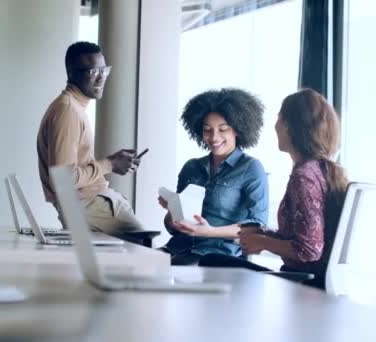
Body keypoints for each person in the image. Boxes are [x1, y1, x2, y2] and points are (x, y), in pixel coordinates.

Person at [199, 89, 348, 290]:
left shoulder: (304, 177)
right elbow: (306, 237)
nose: (275, 125)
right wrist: (263, 233)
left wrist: (262, 242)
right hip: (308, 279)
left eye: (279, 117)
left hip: (302, 283)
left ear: (290, 126)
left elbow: (310, 249)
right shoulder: (321, 170)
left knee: (212, 261)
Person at [37, 41, 144, 235]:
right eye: (94, 72)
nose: (101, 78)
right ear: (71, 73)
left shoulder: (72, 107)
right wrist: (110, 164)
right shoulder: (68, 111)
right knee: (147, 251)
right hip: (87, 205)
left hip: (87, 206)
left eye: (104, 70)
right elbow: (62, 180)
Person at [159, 88, 269, 265]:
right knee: (137, 264)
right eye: (207, 130)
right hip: (178, 248)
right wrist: (172, 210)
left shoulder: (251, 168)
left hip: (217, 256)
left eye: (223, 129)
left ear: (237, 130)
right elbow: (173, 227)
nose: (214, 137)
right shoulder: (191, 167)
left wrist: (208, 232)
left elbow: (257, 226)